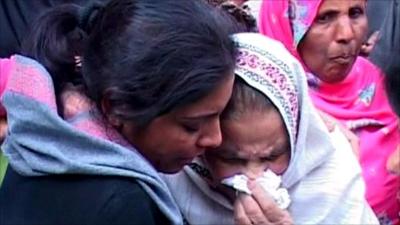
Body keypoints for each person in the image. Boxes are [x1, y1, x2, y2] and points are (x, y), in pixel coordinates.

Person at [0, 0, 240, 224]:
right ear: (116, 106)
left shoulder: (47, 139)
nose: (215, 138)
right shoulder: (123, 204)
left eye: (221, 115)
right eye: (191, 125)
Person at [163, 33, 379, 225]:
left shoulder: (334, 181)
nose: (254, 176)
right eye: (231, 159)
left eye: (272, 156)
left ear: (297, 139)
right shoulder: (173, 177)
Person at [258, 1, 400, 224]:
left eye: (355, 13)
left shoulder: (380, 82)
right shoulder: (264, 110)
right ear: (285, 23)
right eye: (324, 18)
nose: (347, 34)